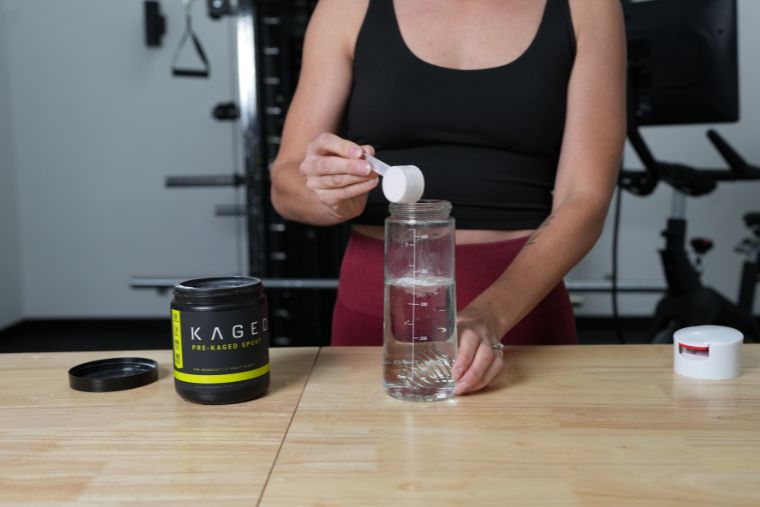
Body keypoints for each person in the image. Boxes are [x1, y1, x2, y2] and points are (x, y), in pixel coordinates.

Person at [270, 0, 626, 394]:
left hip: (521, 309)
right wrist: (334, 196)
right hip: (378, 309)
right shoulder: (347, 7)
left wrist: (490, 315)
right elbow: (286, 184)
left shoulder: (588, 7)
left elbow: (585, 197)